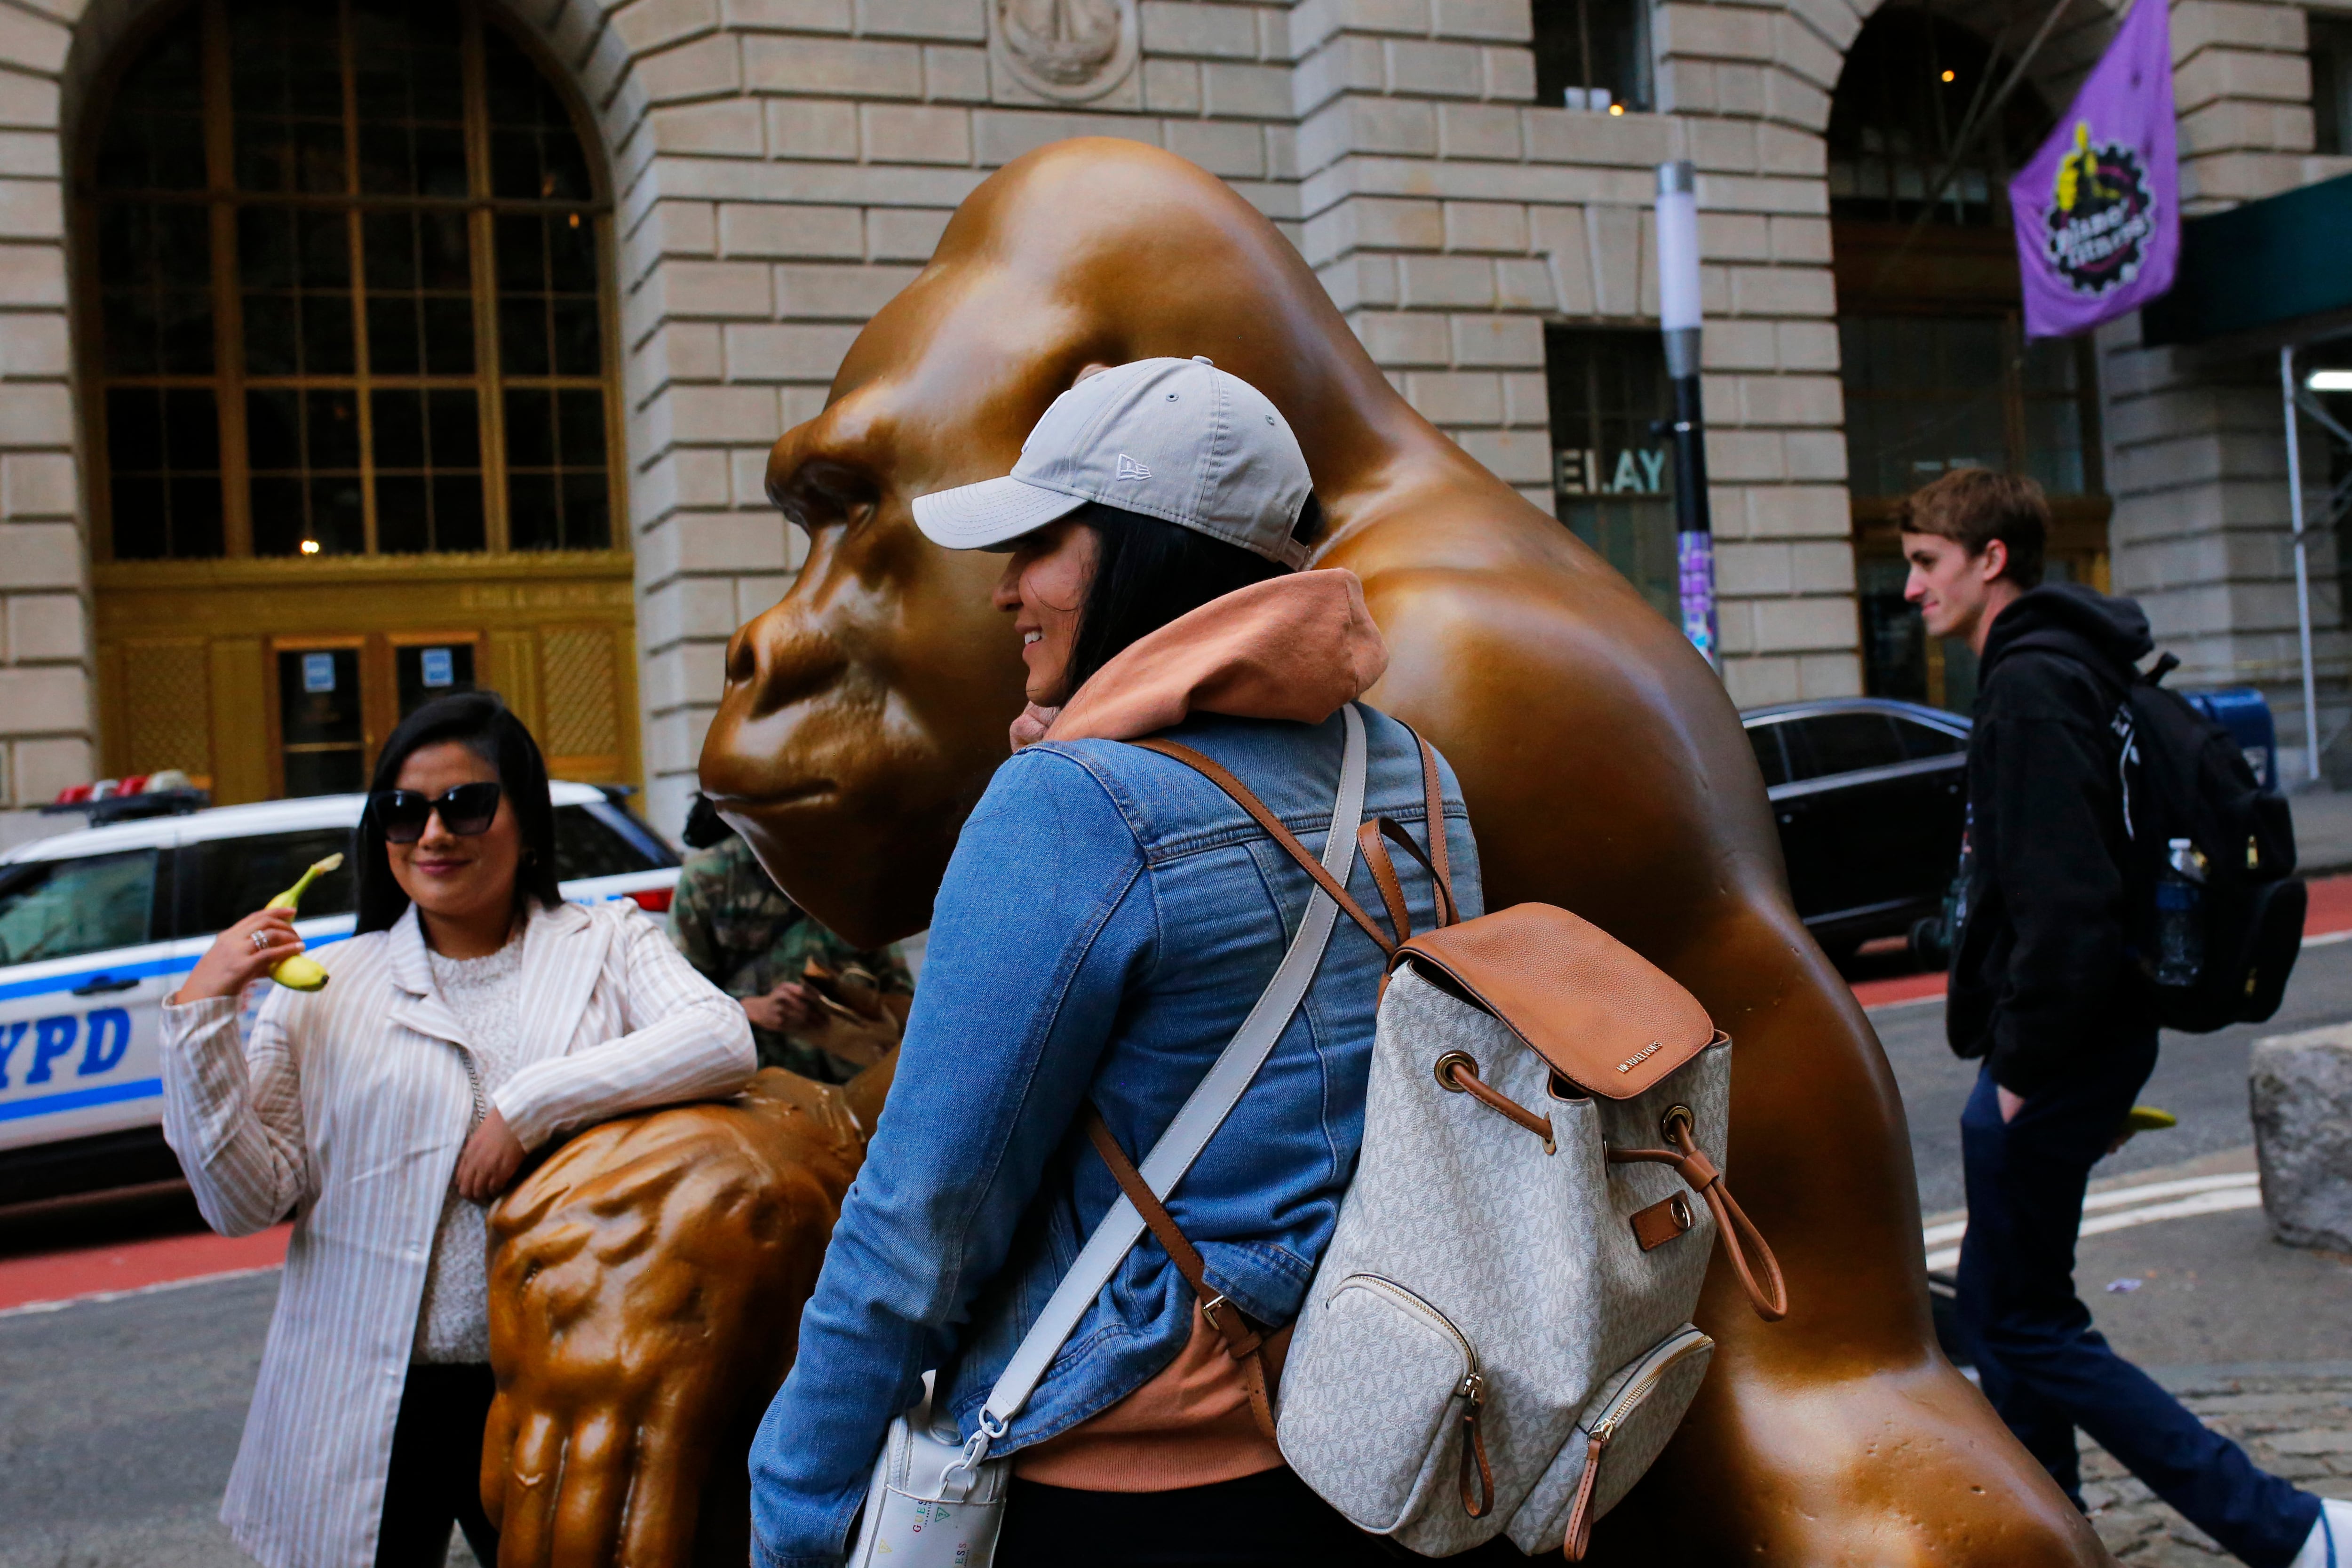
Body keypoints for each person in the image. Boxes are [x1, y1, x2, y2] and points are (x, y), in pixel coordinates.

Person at [746, 357, 1476, 1567]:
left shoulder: (1073, 809)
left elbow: (919, 1218)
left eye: (1039, 543)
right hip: (1379, 1432)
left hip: (1131, 1465)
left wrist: (795, 1511)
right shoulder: (1411, 771)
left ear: (1144, 552)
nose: (1003, 590)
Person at [159, 692, 756, 1568]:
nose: (433, 833)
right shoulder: (326, 989)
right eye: (404, 810)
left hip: (556, 1383)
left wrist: (533, 1103)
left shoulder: (607, 942)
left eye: (466, 804)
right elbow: (242, 1203)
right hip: (369, 1395)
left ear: (526, 823)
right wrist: (202, 1016)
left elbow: (722, 1038)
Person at [1903, 468, 2347, 1568]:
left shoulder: (2032, 685)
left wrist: (2021, 1073)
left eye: (1925, 562)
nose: (1909, 587)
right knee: (2010, 1308)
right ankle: (2048, 1527)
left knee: (2026, 1321)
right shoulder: (2075, 666)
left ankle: (2288, 1528)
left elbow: (2070, 906)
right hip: (2084, 1041)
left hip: (2053, 1054)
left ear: (1989, 560)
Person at [667, 795, 914, 1082]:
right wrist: (751, 1009)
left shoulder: (851, 874)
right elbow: (679, 1002)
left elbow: (903, 995)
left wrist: (858, 1005)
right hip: (758, 1085)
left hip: (855, 1084)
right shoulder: (709, 877)